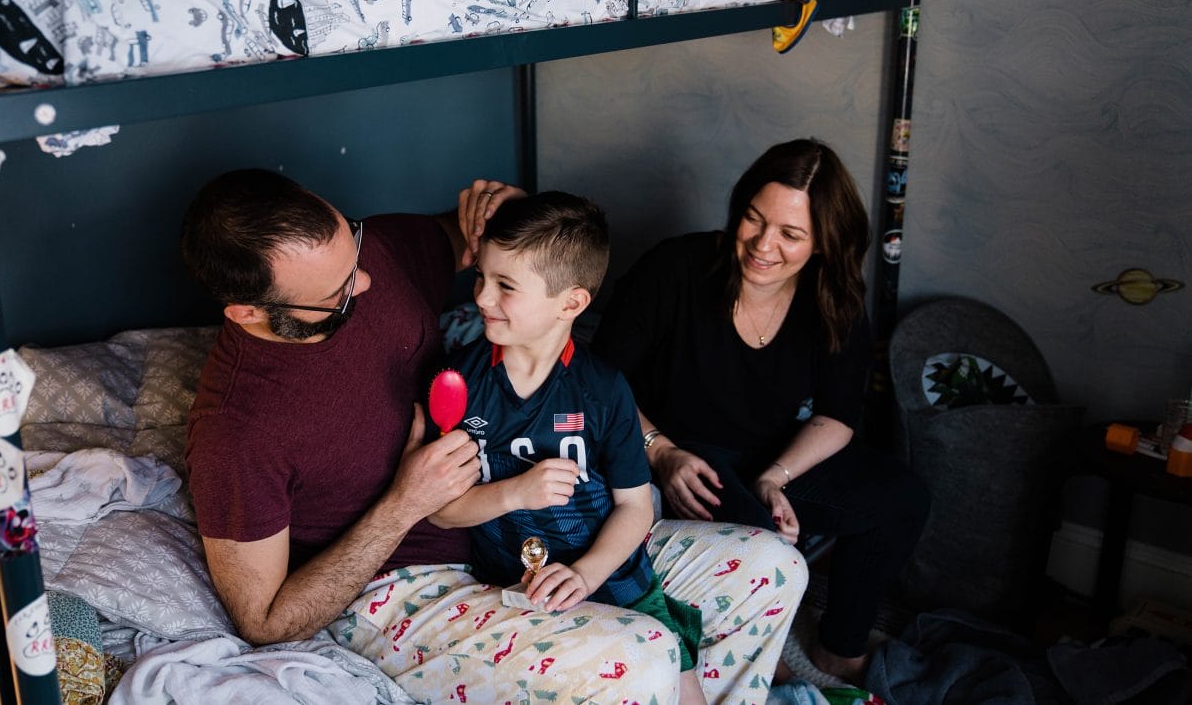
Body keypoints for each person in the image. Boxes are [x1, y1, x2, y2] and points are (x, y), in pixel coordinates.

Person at [181, 168, 808, 704]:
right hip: (405, 588)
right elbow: (266, 622)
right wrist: (405, 503)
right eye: (341, 292)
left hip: (527, 543)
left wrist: (496, 201)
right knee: (644, 655)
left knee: (774, 567)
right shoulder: (237, 429)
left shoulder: (374, 255)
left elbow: (498, 241)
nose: (366, 283)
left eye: (357, 253)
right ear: (250, 312)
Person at [593, 138, 931, 685]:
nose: (763, 245)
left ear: (823, 243)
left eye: (790, 234)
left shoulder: (832, 297)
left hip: (769, 452)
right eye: (753, 220)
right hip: (677, 449)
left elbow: (838, 415)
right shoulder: (676, 267)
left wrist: (778, 475)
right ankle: (727, 672)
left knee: (901, 498)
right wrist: (660, 452)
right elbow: (598, 381)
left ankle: (837, 650)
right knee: (765, 548)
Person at [428, 192, 706, 705]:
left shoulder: (603, 390)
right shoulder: (460, 381)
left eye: (505, 286)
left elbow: (635, 507)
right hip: (510, 589)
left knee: (682, 690)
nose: (482, 298)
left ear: (571, 303)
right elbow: (441, 511)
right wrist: (515, 492)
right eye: (481, 278)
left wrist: (585, 573)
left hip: (612, 576)